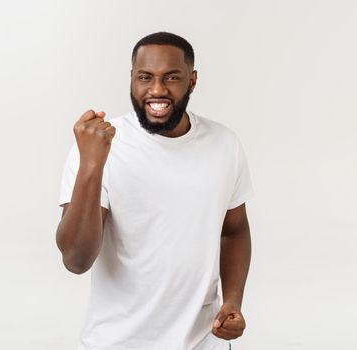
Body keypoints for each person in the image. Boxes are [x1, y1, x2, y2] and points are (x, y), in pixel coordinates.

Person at [56, 32, 254, 350]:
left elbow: (234, 230)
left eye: (171, 77)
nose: (157, 90)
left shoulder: (224, 144)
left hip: (204, 344)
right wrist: (91, 166)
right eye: (145, 77)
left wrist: (232, 300)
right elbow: (77, 259)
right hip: (117, 343)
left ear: (192, 81)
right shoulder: (99, 145)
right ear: (132, 79)